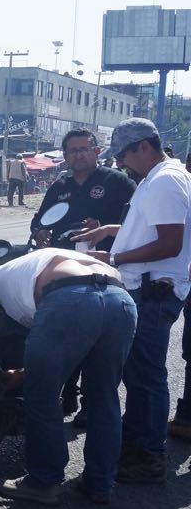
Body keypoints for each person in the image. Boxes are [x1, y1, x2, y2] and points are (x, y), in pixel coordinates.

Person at [0, 249, 135, 503]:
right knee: (104, 395)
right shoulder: (45, 258)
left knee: (42, 395)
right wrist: (25, 372)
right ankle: (100, 482)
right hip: (120, 300)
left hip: (70, 298)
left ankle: (44, 480)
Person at [74, 118, 191, 485]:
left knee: (145, 376)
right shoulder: (162, 176)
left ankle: (149, 454)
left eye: (124, 156)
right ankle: (139, 443)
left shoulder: (164, 180)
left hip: (154, 290)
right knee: (140, 373)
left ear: (143, 146)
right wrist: (112, 231)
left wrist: (116, 258)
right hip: (152, 287)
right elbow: (157, 228)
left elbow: (170, 242)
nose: (122, 164)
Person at [28, 129, 136, 425]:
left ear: (97, 151)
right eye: (72, 150)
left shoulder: (118, 182)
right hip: (63, 270)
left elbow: (137, 222)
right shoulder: (60, 185)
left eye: (84, 148)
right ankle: (67, 394)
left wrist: (104, 227)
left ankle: (92, 405)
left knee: (98, 340)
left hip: (105, 269)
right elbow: (39, 219)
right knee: (66, 332)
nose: (78, 154)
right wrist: (39, 231)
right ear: (64, 156)